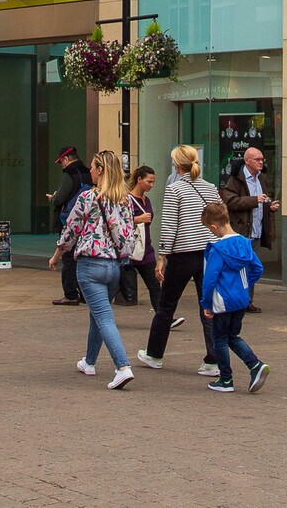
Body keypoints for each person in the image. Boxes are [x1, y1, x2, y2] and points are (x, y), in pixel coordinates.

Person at [48, 149, 137, 390]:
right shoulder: (126, 199)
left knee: (104, 317)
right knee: (98, 314)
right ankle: (89, 361)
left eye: (93, 168)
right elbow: (130, 232)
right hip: (114, 266)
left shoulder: (88, 197)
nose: (90, 173)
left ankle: (122, 366)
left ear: (101, 171)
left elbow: (71, 229)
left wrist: (57, 253)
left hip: (90, 265)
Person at [135, 145, 222, 378]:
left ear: (176, 165)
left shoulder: (175, 189)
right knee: (209, 306)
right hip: (209, 252)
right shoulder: (211, 188)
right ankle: (214, 361)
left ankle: (154, 354)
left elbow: (169, 226)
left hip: (183, 254)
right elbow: (220, 220)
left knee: (166, 305)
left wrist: (162, 257)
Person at [199, 199, 267, 394]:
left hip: (223, 300)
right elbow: (258, 268)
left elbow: (210, 278)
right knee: (233, 336)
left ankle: (226, 379)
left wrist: (206, 302)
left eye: (210, 229)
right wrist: (244, 286)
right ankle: (254, 365)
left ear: (214, 226)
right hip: (241, 299)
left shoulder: (217, 249)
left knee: (219, 338)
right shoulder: (245, 243)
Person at [219, 146, 277, 313]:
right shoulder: (236, 179)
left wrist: (270, 206)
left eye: (262, 159)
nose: (261, 162)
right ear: (247, 161)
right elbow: (230, 202)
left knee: (251, 267)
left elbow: (261, 201)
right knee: (240, 267)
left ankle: (246, 301)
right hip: (241, 231)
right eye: (257, 159)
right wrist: (254, 200)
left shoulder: (261, 178)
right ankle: (238, 300)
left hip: (257, 230)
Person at [46, 146, 92, 306]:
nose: (62, 166)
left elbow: (60, 199)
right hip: (87, 220)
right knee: (82, 258)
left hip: (70, 220)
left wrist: (53, 198)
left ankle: (71, 294)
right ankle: (86, 294)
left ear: (66, 160)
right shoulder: (89, 172)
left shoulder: (69, 174)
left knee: (68, 258)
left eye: (61, 163)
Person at [117, 164, 159, 307]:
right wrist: (137, 219)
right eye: (149, 181)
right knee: (120, 285)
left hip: (145, 249)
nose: (151, 185)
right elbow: (117, 221)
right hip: (130, 249)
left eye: (153, 182)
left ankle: (164, 319)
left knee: (154, 285)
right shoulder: (126, 199)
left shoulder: (146, 200)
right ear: (139, 179)